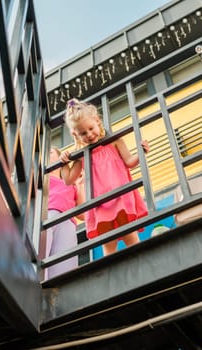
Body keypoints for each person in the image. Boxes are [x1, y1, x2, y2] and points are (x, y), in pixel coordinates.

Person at [59, 98, 150, 256]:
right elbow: (68, 180)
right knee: (108, 244)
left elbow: (129, 161)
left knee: (130, 236)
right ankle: (113, 273)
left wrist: (141, 152)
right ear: (76, 135)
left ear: (97, 121)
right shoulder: (82, 155)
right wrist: (64, 162)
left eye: (90, 128)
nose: (88, 135)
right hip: (99, 203)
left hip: (120, 196)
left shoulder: (114, 141)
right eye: (83, 133)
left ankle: (141, 264)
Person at [45, 146, 85, 279]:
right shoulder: (41, 177)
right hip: (46, 216)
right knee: (41, 253)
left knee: (64, 265)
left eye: (50, 151)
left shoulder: (70, 184)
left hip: (68, 221)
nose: (45, 153)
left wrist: (81, 183)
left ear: (59, 157)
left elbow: (82, 214)